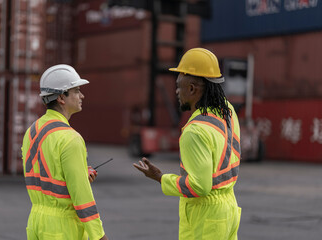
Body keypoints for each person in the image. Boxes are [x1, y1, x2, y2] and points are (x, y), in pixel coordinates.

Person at [133, 48, 242, 239]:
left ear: (192, 88)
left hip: (205, 217)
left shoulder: (195, 131)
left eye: (178, 86)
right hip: (228, 209)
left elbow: (200, 187)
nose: (176, 91)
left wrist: (160, 177)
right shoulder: (228, 111)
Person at [21, 64, 108, 240]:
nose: (82, 95)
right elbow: (82, 197)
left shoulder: (32, 131)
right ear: (61, 97)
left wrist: (81, 174)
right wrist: (99, 236)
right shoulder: (70, 139)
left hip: (36, 222)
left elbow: (48, 177)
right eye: (76, 90)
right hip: (63, 229)